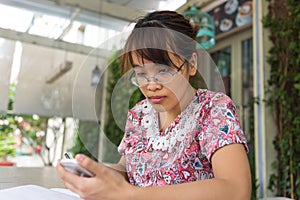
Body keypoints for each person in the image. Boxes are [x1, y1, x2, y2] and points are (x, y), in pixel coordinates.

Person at [57, 10, 251, 200]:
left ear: (191, 64)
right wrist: (99, 174)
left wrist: (132, 195)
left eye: (164, 71)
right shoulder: (139, 114)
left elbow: (235, 189)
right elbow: (126, 169)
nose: (151, 85)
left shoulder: (212, 109)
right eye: (141, 74)